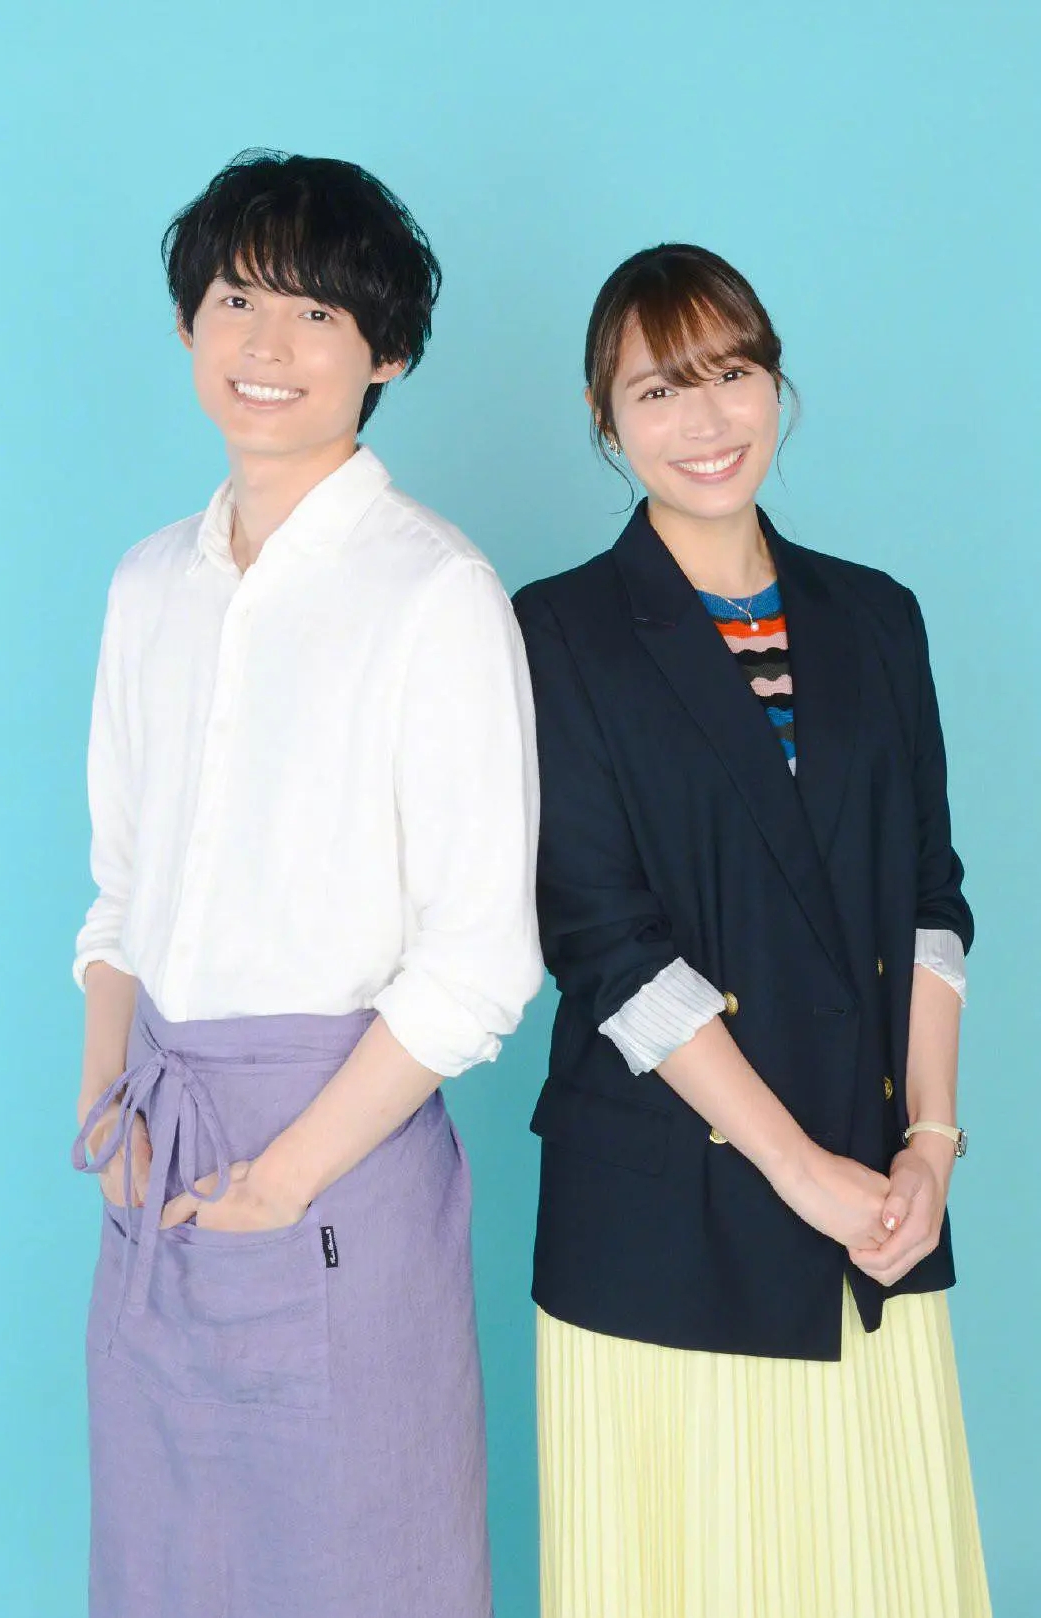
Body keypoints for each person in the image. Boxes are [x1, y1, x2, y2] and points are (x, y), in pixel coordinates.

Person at [71, 149, 542, 1618]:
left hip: (341, 1151)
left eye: (316, 313)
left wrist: (282, 1178)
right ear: (186, 325)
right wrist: (106, 1101)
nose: (266, 345)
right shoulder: (149, 582)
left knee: (363, 1561)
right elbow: (119, 887)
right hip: (159, 1141)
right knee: (164, 1565)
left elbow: (481, 959)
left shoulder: (433, 590)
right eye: (236, 300)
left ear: (384, 352)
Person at [513, 243, 990, 1618]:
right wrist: (802, 1172)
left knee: (879, 1570)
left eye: (731, 374)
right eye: (660, 389)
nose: (706, 419)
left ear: (778, 385)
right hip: (665, 1209)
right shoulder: (555, 632)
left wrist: (929, 1146)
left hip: (877, 1204)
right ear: (607, 418)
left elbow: (931, 899)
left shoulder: (877, 615)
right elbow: (606, 946)